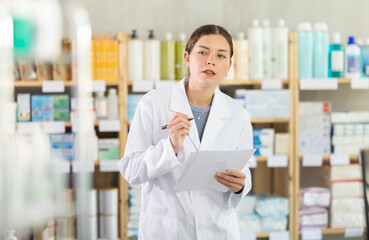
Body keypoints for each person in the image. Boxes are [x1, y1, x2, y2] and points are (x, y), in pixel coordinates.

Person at [118, 24, 253, 240]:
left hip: (218, 229)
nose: (211, 60)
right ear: (187, 58)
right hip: (168, 230)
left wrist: (241, 185)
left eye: (220, 55)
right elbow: (131, 170)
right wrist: (170, 147)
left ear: (228, 66)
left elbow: (244, 169)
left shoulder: (238, 114)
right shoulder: (154, 103)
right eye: (202, 52)